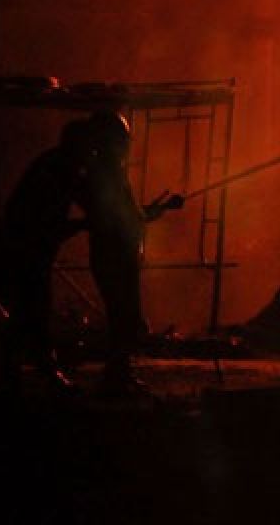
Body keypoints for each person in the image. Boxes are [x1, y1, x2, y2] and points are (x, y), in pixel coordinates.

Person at [82, 110, 181, 395]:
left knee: (124, 317)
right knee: (123, 317)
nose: (127, 144)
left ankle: (119, 374)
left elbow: (132, 216)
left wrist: (159, 209)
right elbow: (123, 218)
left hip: (116, 256)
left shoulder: (107, 173)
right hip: (114, 257)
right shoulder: (106, 174)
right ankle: (116, 378)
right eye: (123, 138)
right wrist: (151, 212)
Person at [0, 118, 93, 394]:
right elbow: (47, 224)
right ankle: (41, 372)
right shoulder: (58, 171)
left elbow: (89, 201)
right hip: (22, 252)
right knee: (31, 311)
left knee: (26, 314)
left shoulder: (57, 165)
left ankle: (15, 376)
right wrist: (88, 222)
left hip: (23, 251)